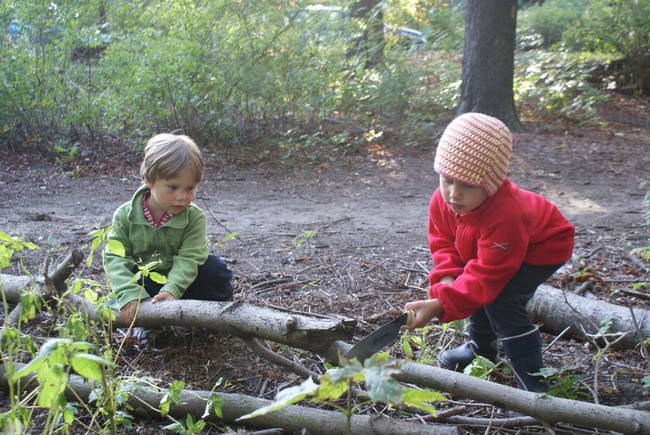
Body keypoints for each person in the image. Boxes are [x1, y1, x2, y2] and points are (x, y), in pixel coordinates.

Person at [404, 112, 574, 392]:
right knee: (479, 289)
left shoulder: (506, 215)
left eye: (468, 185)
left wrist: (439, 305)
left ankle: (533, 385)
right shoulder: (443, 200)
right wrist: (446, 282)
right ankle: (479, 350)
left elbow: (487, 276)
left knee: (502, 300)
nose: (453, 194)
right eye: (447, 179)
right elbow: (443, 243)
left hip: (542, 247)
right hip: (490, 245)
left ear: (490, 185)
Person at [103, 133, 233, 327]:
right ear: (149, 179)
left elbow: (189, 258)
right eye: (172, 187)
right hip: (146, 283)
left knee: (215, 270)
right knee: (121, 296)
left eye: (190, 188)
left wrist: (172, 290)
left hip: (183, 282)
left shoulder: (194, 217)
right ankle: (147, 322)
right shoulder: (125, 215)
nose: (182, 197)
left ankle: (214, 320)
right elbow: (115, 258)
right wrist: (129, 293)